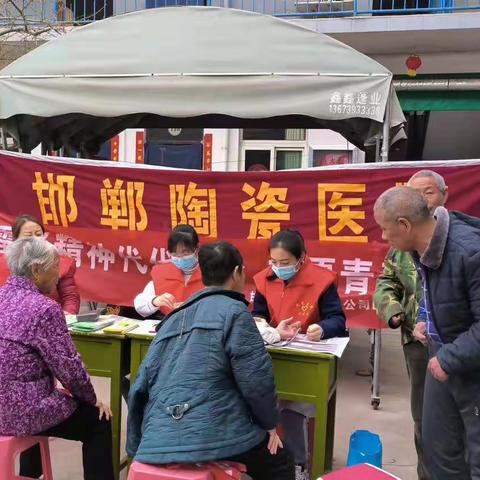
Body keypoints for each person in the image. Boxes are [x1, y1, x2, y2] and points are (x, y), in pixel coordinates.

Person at [127, 241, 295, 480]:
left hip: (157, 437)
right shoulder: (236, 313)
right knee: (279, 458)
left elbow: (140, 384)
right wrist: (270, 424)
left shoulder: (173, 318)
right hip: (210, 435)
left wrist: (137, 444)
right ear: (238, 272)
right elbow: (256, 383)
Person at [374, 186, 480, 480]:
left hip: (466, 365)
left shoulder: (468, 251)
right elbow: (434, 293)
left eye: (385, 229)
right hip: (440, 354)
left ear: (404, 225)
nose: (384, 237)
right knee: (439, 448)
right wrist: (424, 318)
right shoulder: (425, 248)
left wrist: (449, 359)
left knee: (473, 454)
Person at [0, 237, 114, 480]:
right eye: (55, 265)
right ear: (36, 270)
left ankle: (29, 474)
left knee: (37, 398)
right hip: (19, 412)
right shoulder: (44, 308)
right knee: (98, 421)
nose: (58, 273)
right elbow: (69, 368)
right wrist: (92, 400)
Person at [252, 229, 347, 480]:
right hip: (271, 352)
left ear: (301, 258)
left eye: (285, 263)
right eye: (274, 262)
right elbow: (257, 314)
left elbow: (338, 320)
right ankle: (262, 463)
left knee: (293, 410)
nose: (278, 268)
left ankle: (299, 466)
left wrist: (322, 328)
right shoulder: (264, 279)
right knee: (256, 404)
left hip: (307, 355)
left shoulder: (322, 280)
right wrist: (264, 326)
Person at [373, 169, 448, 480]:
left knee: (459, 420)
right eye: (415, 193)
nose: (421, 199)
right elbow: (385, 283)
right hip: (417, 345)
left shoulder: (461, 243)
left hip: (457, 348)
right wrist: (395, 312)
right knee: (424, 418)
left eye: (428, 192)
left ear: (445, 194)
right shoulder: (402, 244)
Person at [0, 214, 80, 314]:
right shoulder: (4, 263)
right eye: (28, 236)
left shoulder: (59, 263)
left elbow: (69, 296)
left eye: (38, 234)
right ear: (16, 240)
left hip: (50, 317)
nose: (35, 240)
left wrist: (66, 316)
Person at [134, 224, 203, 318]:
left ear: (197, 248)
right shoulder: (162, 272)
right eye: (175, 254)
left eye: (185, 253)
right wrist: (155, 301)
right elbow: (140, 304)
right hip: (170, 326)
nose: (180, 258)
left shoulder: (210, 272)